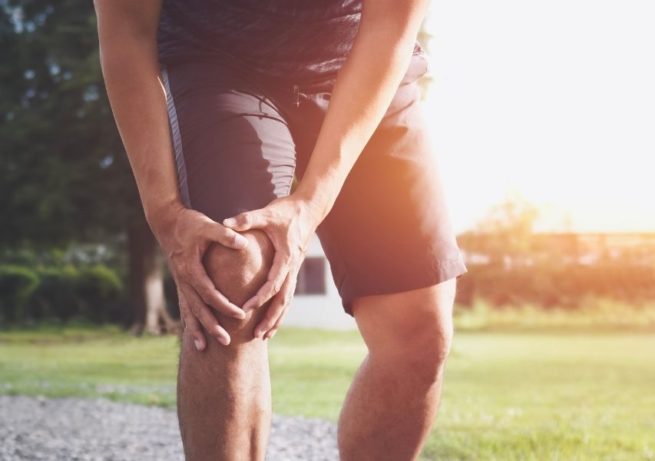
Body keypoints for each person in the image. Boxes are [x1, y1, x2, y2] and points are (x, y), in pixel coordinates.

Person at [94, 0, 467, 459]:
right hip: (219, 63)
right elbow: (127, 26)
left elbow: (392, 21)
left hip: (362, 57)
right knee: (231, 265)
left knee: (419, 330)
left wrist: (310, 205)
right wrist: (165, 213)